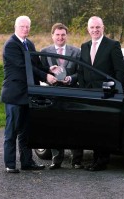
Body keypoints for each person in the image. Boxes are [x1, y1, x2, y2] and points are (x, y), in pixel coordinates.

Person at [0, 16, 59, 173]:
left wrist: (48, 70)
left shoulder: (29, 43)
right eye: (22, 26)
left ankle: (27, 162)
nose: (25, 29)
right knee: (11, 131)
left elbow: (36, 64)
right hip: (14, 95)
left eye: (27, 26)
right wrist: (45, 77)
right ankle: (10, 164)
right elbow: (25, 68)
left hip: (29, 94)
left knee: (26, 131)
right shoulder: (11, 45)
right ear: (15, 26)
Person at [78, 16, 124, 171]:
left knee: (103, 126)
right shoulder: (84, 46)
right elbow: (81, 70)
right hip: (89, 94)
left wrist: (114, 90)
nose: (95, 30)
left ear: (103, 27)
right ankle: (94, 159)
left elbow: (119, 71)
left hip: (106, 94)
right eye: (92, 27)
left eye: (97, 27)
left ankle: (102, 161)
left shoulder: (112, 45)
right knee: (92, 127)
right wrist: (84, 88)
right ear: (88, 29)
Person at [40, 23, 84, 170]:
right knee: (55, 126)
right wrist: (48, 75)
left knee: (75, 126)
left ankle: (76, 160)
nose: (60, 37)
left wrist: (71, 78)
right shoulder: (45, 52)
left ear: (66, 35)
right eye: (57, 35)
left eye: (63, 35)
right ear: (52, 35)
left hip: (72, 94)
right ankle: (56, 160)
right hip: (53, 95)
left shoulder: (76, 52)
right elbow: (40, 71)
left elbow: (81, 72)